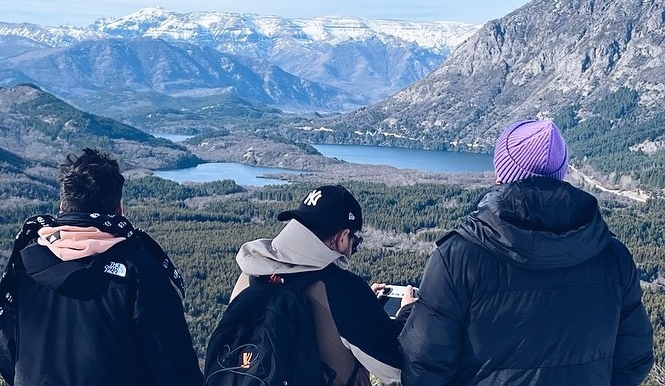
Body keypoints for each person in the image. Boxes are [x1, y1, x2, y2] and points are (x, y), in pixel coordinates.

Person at [399, 120, 654, 385]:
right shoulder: (613, 256)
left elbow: (423, 369)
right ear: (561, 174)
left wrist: (407, 315)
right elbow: (634, 361)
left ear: (501, 176)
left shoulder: (457, 258)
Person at [0, 148, 203, 386]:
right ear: (119, 209)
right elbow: (177, 370)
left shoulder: (23, 263)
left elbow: (7, 352)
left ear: (63, 205)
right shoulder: (140, 272)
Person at [230, 184, 416, 385]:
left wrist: (365, 309)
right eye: (355, 243)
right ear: (343, 237)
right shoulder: (343, 290)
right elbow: (396, 368)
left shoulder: (250, 274)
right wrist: (408, 312)